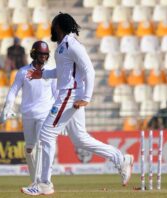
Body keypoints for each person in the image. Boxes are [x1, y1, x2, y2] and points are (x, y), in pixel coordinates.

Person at [21, 13, 134, 196]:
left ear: (58, 26)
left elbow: (89, 69)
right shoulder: (61, 46)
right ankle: (120, 159)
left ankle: (44, 184)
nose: (51, 28)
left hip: (70, 95)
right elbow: (62, 72)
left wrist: (87, 97)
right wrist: (43, 74)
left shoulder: (72, 44)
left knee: (46, 133)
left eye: (53, 25)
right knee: (79, 139)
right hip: (69, 95)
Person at [0, 41, 57, 184]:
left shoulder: (50, 71)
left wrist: (59, 116)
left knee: (41, 145)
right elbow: (13, 91)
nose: (43, 57)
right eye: (41, 54)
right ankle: (35, 181)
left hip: (45, 114)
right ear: (34, 54)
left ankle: (43, 182)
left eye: (46, 54)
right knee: (29, 149)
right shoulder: (23, 71)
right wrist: (7, 107)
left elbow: (57, 95)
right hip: (28, 115)